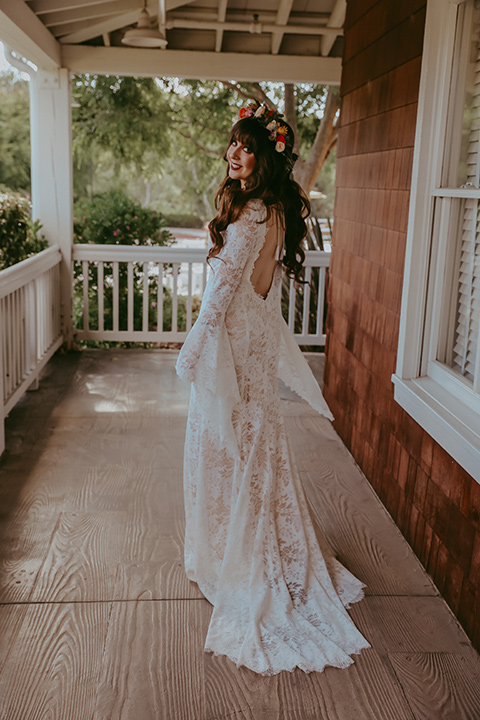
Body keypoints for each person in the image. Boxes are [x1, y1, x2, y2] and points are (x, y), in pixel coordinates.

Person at [176, 103, 370, 675]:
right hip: (255, 339)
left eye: (247, 146)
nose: (234, 154)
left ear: (266, 157)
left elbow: (220, 295)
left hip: (233, 347)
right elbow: (265, 293)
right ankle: (255, 542)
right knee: (254, 444)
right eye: (233, 144)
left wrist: (192, 350)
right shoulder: (278, 212)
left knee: (223, 444)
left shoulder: (246, 220)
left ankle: (235, 556)